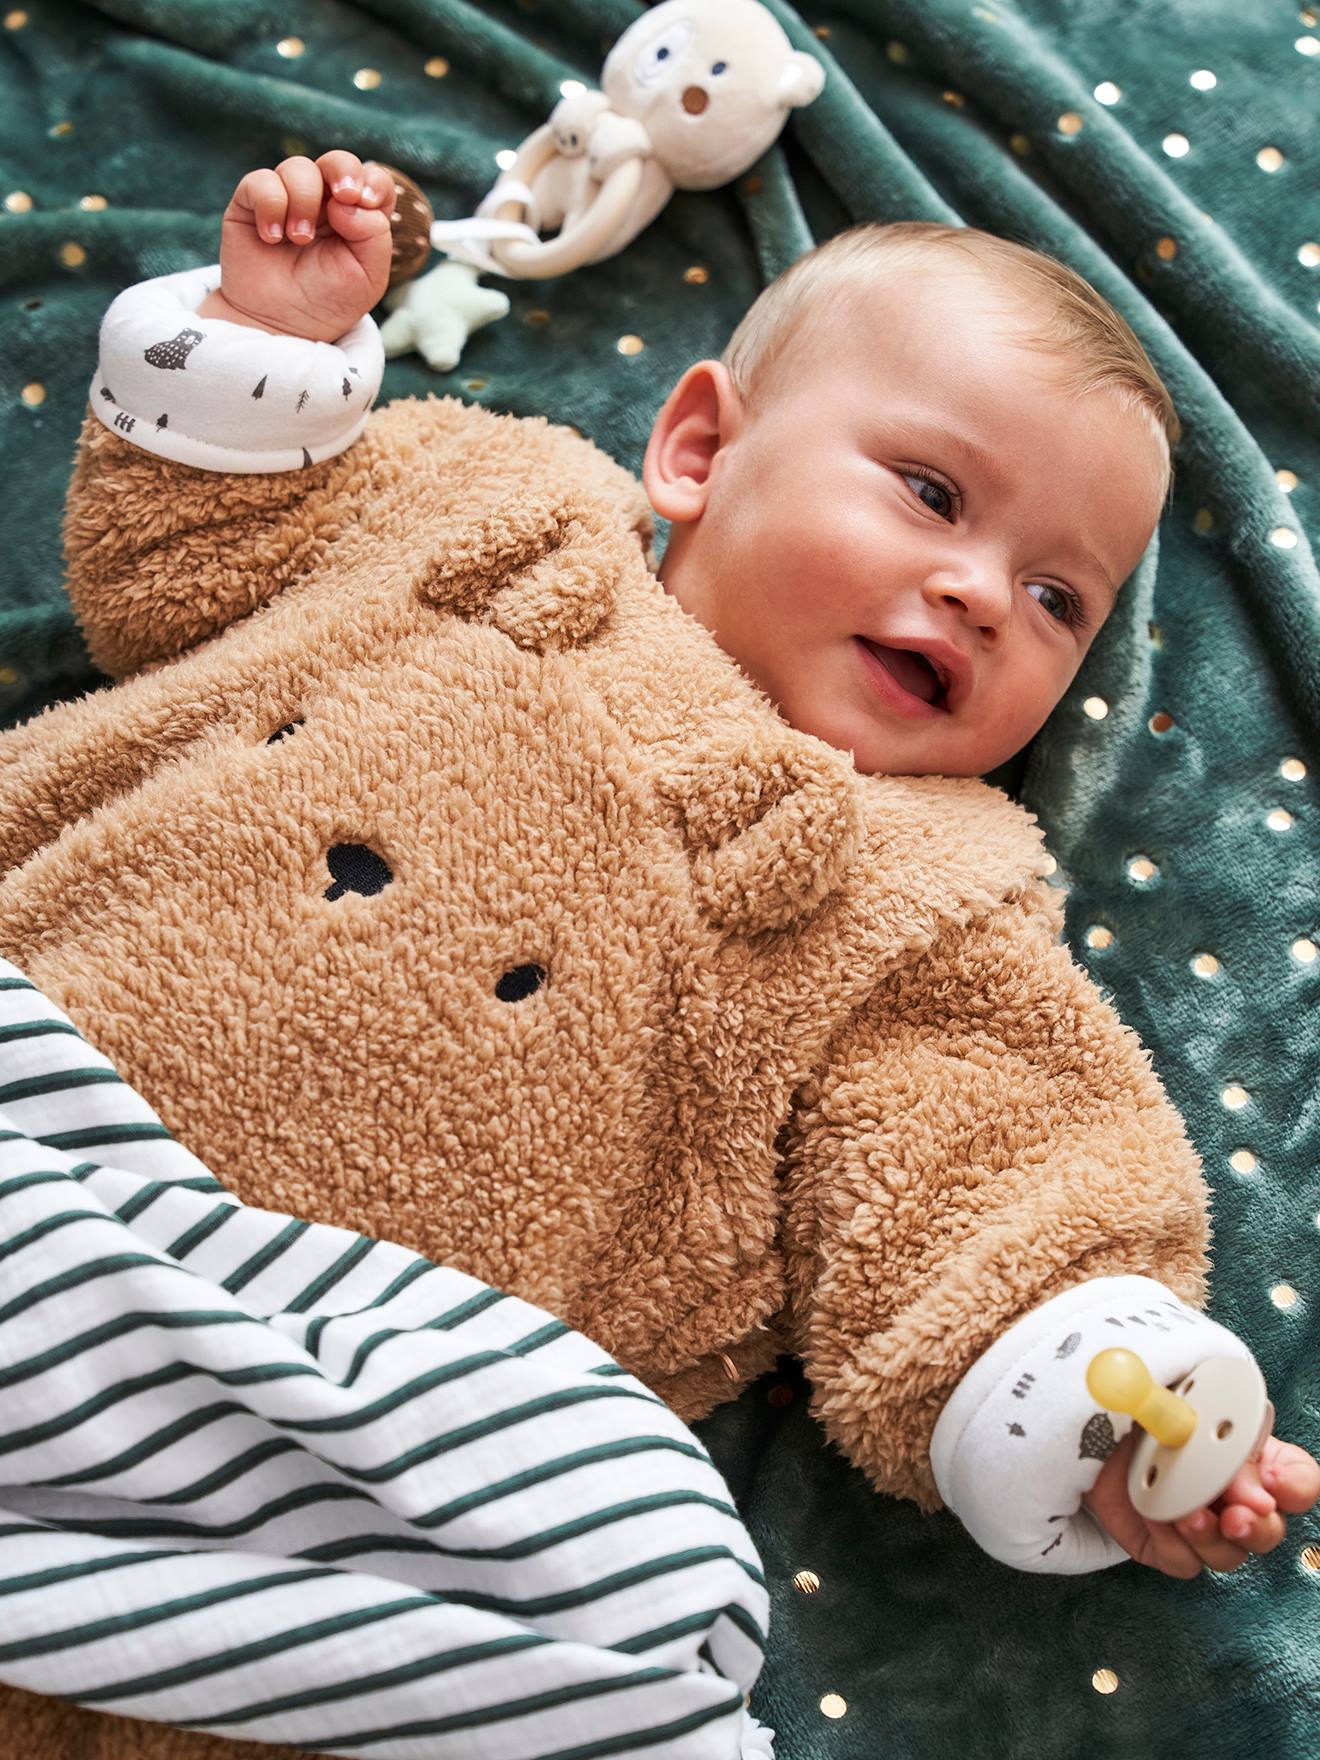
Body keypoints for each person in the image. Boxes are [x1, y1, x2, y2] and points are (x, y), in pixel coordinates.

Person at [40, 150, 1320, 1584]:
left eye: (1056, 598)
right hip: (51, 1076)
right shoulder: (492, 508)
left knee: (668, 1582)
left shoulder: (926, 899)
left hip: (322, 1394)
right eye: (930, 492)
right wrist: (261, 343)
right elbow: (181, 569)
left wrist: (1116, 1407)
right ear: (701, 452)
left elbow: (979, 1171)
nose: (980, 597)